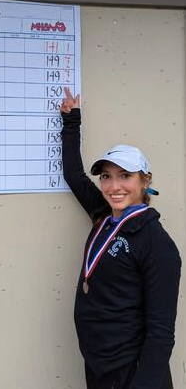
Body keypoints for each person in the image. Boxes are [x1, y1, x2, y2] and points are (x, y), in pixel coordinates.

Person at [60, 87, 181, 389]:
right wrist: (71, 121)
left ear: (145, 181)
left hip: (132, 370)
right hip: (98, 362)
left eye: (125, 176)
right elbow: (75, 175)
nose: (114, 186)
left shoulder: (157, 244)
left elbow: (161, 330)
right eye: (106, 176)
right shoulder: (103, 215)